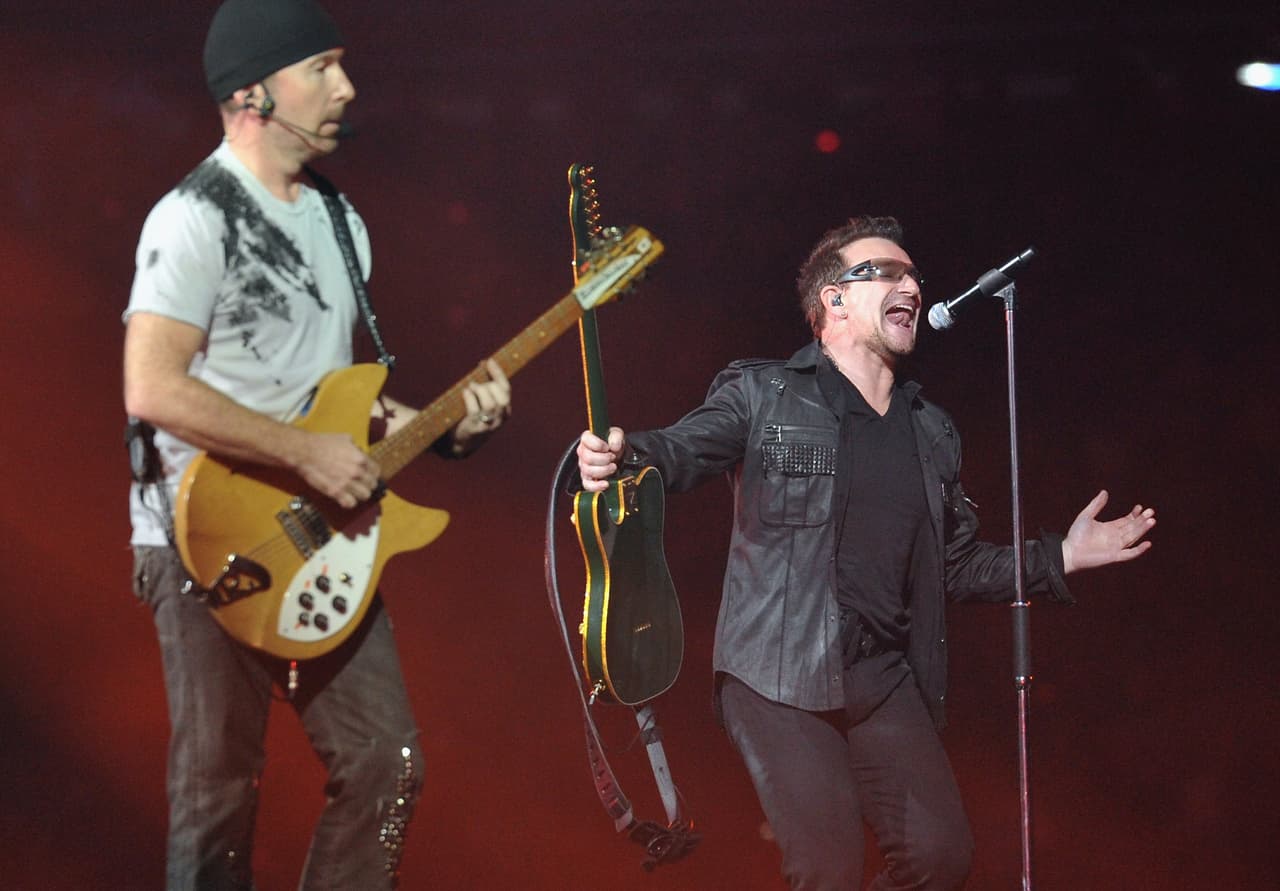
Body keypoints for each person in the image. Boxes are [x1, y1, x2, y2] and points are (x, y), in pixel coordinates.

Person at [577, 216, 1156, 890]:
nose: (912, 284)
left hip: (881, 680)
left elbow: (955, 566)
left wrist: (1060, 556)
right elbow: (681, 450)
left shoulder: (931, 432)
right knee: (828, 869)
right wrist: (624, 453)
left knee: (940, 859)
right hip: (776, 678)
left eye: (914, 275)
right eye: (889, 271)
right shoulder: (764, 393)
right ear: (835, 300)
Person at [122, 1, 512, 887]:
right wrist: (302, 456)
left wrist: (445, 431)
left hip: (321, 538)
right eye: (323, 67)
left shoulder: (340, 222)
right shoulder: (194, 217)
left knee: (390, 761)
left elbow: (333, 406)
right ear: (253, 91)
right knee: (218, 796)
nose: (347, 87)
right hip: (205, 545)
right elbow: (151, 385)